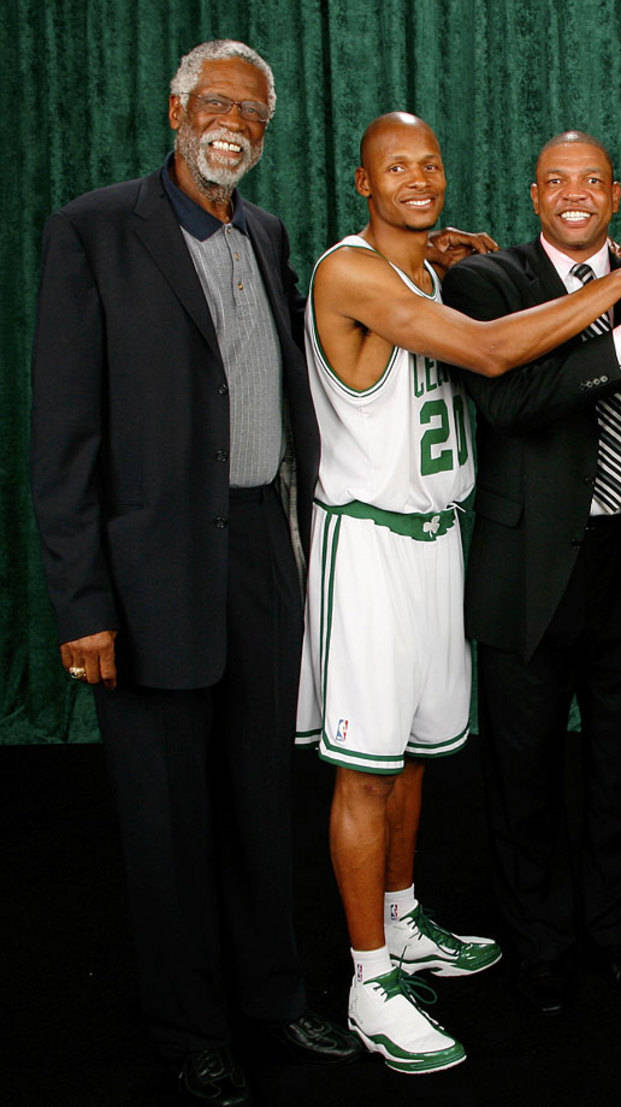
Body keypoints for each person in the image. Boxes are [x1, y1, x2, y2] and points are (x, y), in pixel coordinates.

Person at [296, 111, 621, 1071]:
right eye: (394, 165)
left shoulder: (435, 268)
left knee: (414, 759)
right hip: (375, 542)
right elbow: (494, 364)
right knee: (379, 765)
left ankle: (404, 927)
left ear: (613, 192)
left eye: (431, 162)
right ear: (361, 181)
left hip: (446, 540)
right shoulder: (362, 271)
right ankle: (371, 981)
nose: (418, 176)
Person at [29, 40, 363, 1107]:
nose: (235, 125)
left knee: (259, 799)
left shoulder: (264, 231)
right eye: (217, 104)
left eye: (254, 114)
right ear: (175, 108)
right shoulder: (92, 229)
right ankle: (189, 1025)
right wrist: (84, 603)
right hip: (151, 569)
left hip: (259, 547)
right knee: (168, 820)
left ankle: (272, 995)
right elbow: (64, 436)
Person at [438, 132, 621, 1016]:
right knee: (523, 774)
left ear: (615, 194)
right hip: (524, 565)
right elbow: (507, 402)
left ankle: (617, 940)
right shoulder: (487, 283)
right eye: (556, 182)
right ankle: (542, 949)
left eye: (591, 182)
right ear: (534, 196)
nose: (574, 195)